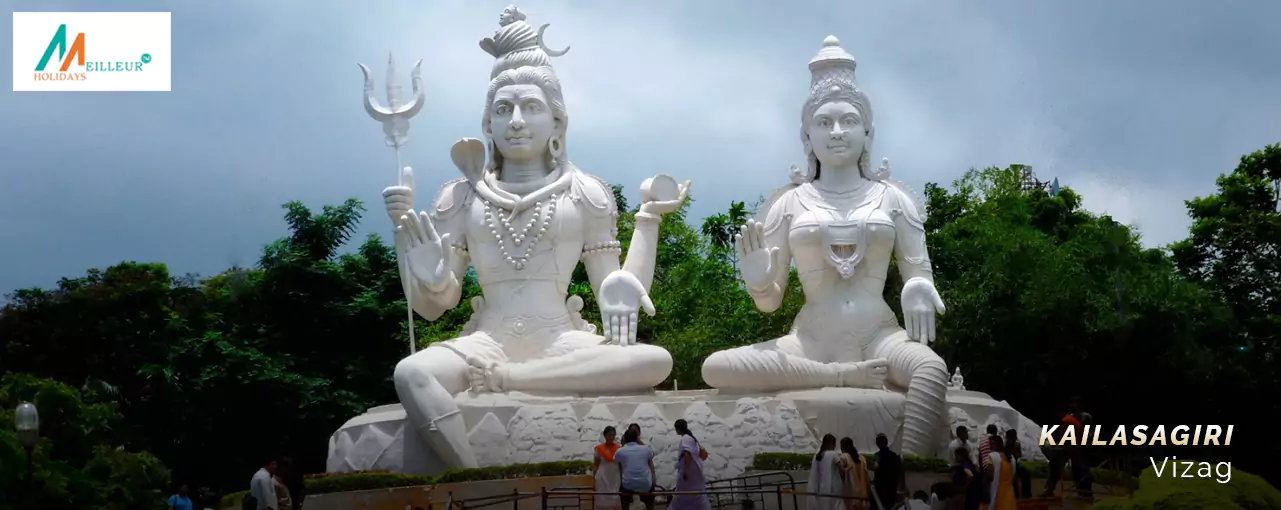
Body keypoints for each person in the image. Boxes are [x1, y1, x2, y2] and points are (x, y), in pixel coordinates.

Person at [670, 419, 709, 510]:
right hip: (694, 469)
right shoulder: (691, 437)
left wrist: (686, 472)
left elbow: (687, 454)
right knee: (694, 493)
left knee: (683, 492)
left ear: (678, 429)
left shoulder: (685, 438)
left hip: (689, 471)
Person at [617, 428, 657, 510]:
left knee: (623, 493)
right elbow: (651, 457)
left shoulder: (620, 451)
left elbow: (616, 460)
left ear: (624, 438)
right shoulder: (646, 449)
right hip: (645, 484)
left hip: (627, 484)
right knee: (649, 495)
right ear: (637, 438)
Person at [808, 434, 842, 510]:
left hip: (821, 487)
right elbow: (841, 468)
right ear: (831, 444)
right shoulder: (833, 454)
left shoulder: (817, 455)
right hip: (833, 487)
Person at [981, 437, 1016, 510]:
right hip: (1009, 489)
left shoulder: (992, 456)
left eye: (992, 444)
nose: (990, 446)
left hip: (996, 489)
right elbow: (1013, 474)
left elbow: (990, 475)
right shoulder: (1011, 458)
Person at [594, 426, 623, 510]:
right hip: (602, 476)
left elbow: (621, 465)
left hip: (615, 476)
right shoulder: (599, 449)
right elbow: (596, 464)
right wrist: (594, 478)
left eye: (613, 435)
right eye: (609, 435)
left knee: (615, 497)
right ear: (605, 436)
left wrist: (621, 476)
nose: (611, 437)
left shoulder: (618, 449)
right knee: (602, 498)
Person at [871, 434, 903, 510]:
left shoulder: (877, 456)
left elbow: (876, 468)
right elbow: (900, 471)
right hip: (892, 488)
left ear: (877, 444)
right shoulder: (894, 456)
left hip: (880, 488)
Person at [837, 437, 869, 510]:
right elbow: (867, 477)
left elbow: (840, 475)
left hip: (851, 495)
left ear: (842, 447)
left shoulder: (844, 457)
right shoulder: (862, 458)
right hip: (863, 496)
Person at [1004, 429, 1031, 499]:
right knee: (1014, 476)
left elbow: (1018, 456)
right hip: (1006, 465)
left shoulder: (1017, 445)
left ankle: (1026, 493)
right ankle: (1015, 495)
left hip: (1015, 463)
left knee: (1026, 472)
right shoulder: (1004, 446)